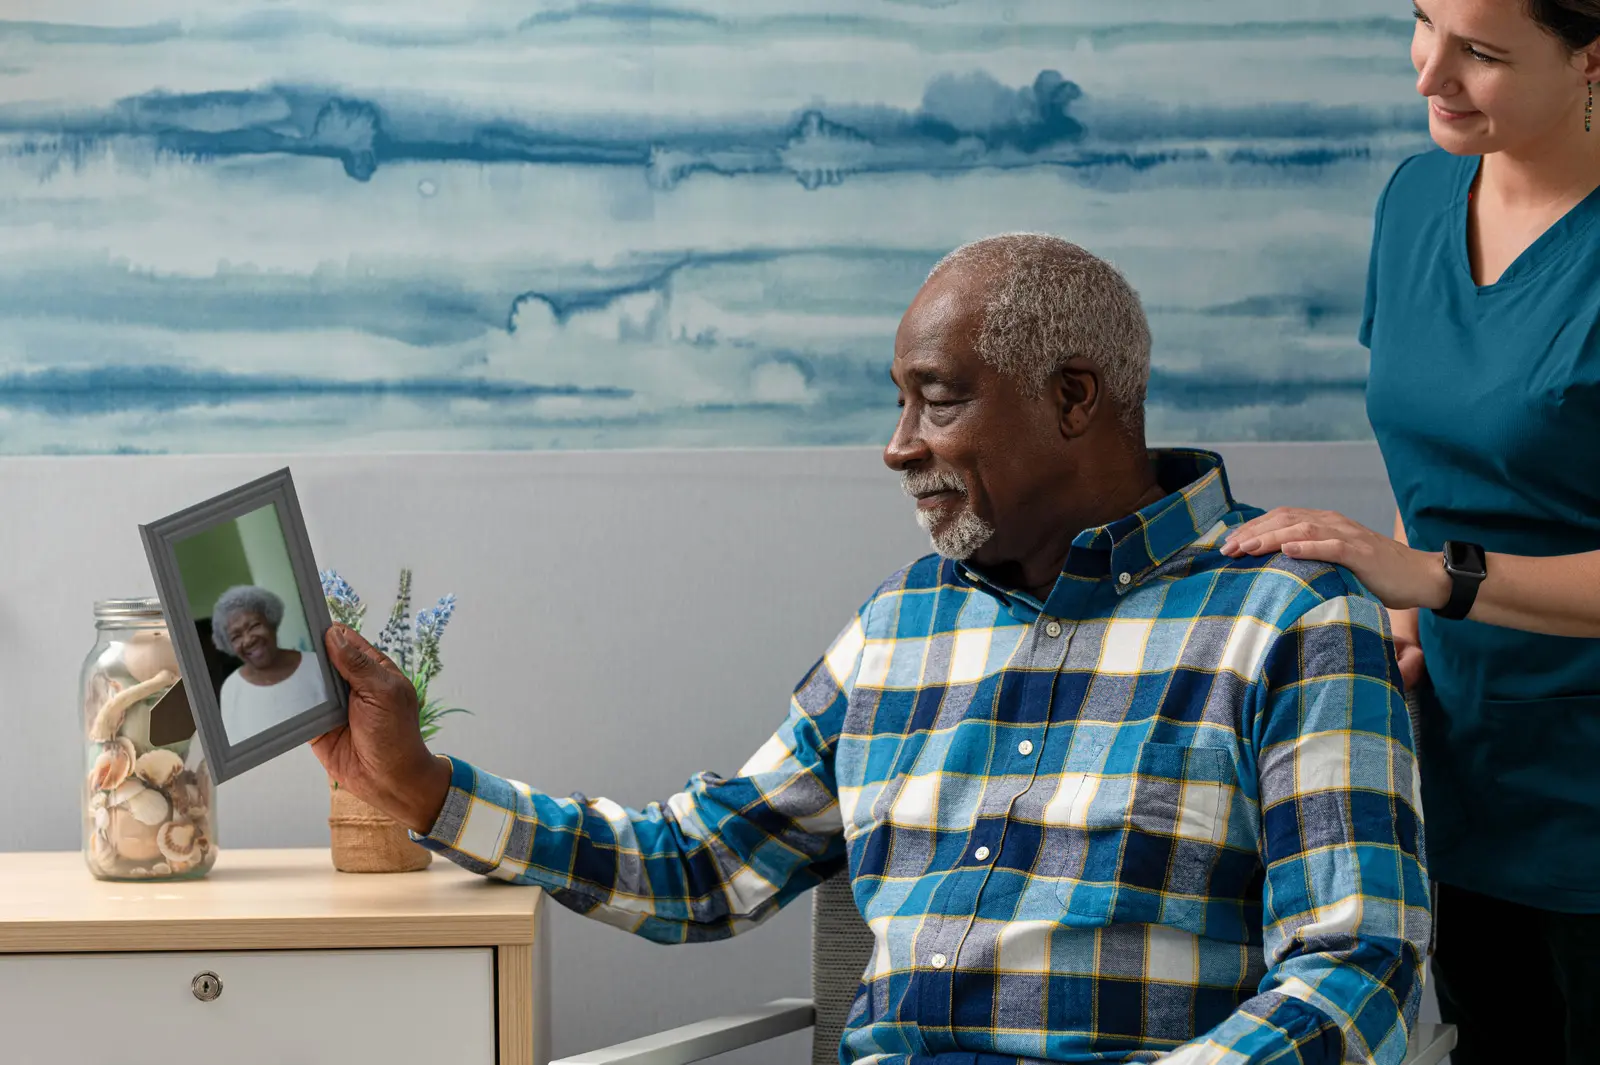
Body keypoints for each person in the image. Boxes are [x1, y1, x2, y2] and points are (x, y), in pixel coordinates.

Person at [313, 235, 1431, 1064]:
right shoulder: (903, 626)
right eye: (898, 404)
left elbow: (1356, 964)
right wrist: (415, 782)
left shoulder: (1290, 620)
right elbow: (701, 867)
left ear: (1074, 399)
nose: (898, 448)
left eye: (935, 402)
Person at [1217, 1, 1600, 1059]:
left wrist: (1435, 580)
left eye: (1479, 53)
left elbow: (1437, 556)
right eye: (1423, 23)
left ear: (1591, 58)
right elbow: (1439, 456)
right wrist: (1398, 619)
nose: (1428, 75)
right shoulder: (1418, 195)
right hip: (1460, 762)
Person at [212, 585, 328, 741]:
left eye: (254, 626)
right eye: (236, 637)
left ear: (271, 622)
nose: (248, 640)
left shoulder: (316, 665)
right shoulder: (231, 689)